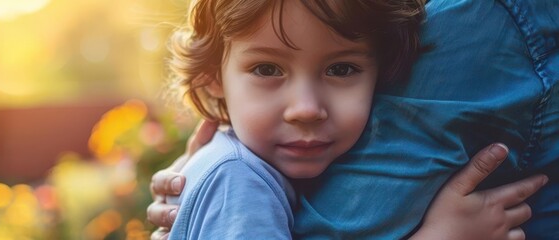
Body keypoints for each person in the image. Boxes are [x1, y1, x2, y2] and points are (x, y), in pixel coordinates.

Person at [149, 0, 559, 239]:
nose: (306, 108)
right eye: (268, 70)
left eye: (341, 70)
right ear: (212, 78)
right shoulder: (238, 187)